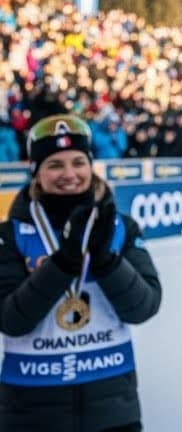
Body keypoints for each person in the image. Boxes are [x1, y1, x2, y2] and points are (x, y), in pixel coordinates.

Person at [0, 114, 162, 431]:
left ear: (90, 165)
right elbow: (11, 321)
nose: (69, 174)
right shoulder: (9, 236)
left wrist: (106, 262)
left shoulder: (121, 228)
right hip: (32, 412)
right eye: (55, 165)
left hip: (113, 411)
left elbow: (144, 307)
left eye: (78, 162)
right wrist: (64, 263)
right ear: (36, 172)